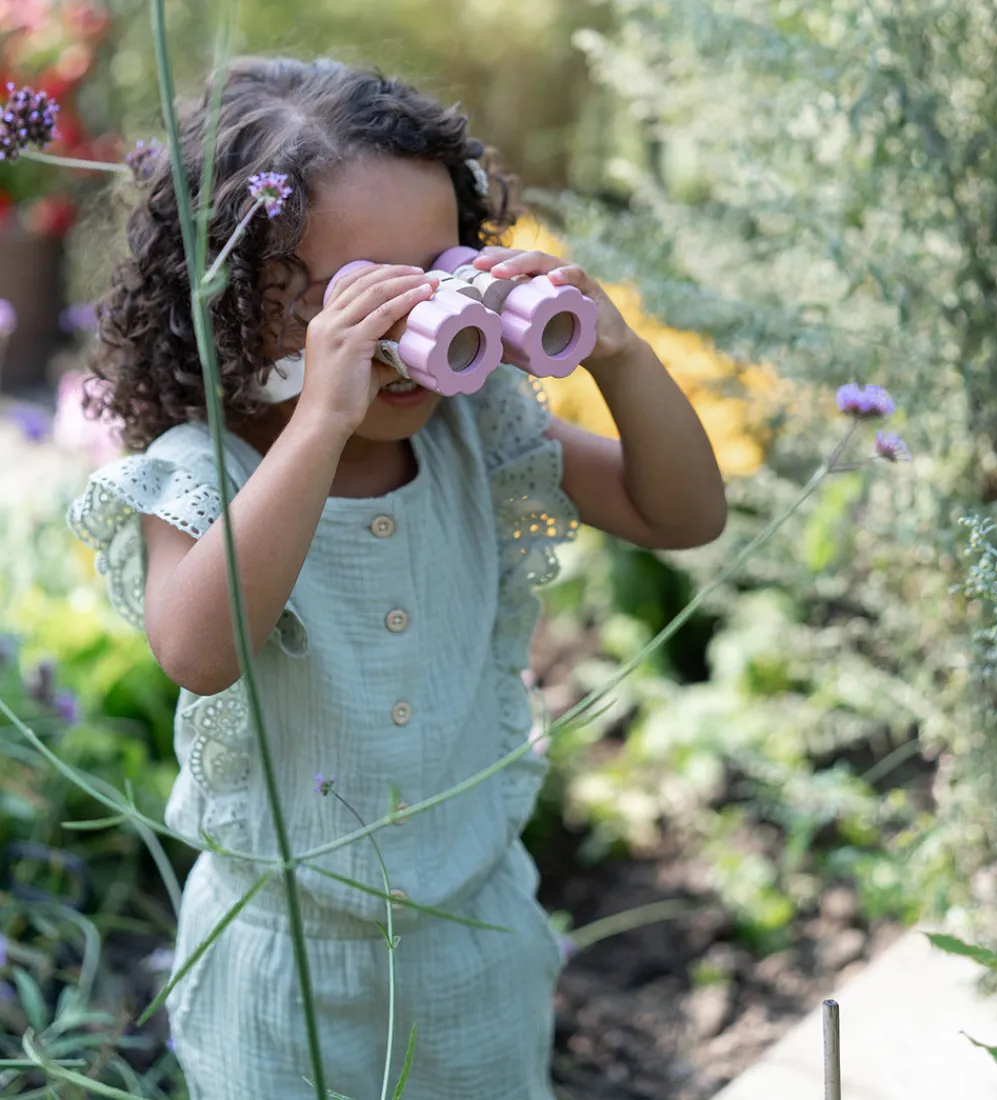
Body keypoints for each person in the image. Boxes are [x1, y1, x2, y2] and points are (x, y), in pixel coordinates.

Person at [68, 55, 726, 1100]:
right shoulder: (204, 472)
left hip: (475, 941)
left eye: (439, 268)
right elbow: (198, 651)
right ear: (234, 295)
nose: (412, 323)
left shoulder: (478, 429)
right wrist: (322, 419)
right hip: (282, 961)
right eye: (362, 292)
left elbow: (683, 514)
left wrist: (620, 355)